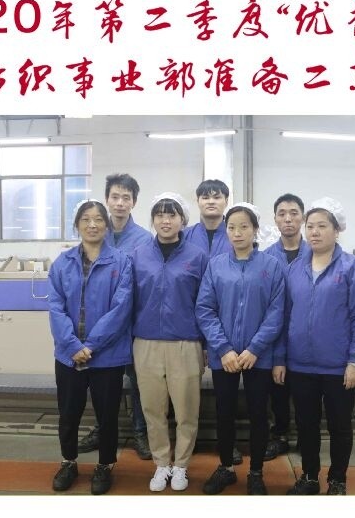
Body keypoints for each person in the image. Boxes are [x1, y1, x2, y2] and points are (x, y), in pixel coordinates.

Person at [280, 197, 355, 496]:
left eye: (322, 226)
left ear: (337, 230)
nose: (314, 232)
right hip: (300, 365)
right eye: (310, 226)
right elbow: (284, 316)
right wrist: (281, 358)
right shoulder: (295, 268)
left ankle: (337, 480)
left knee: (339, 426)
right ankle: (309, 477)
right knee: (305, 425)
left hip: (339, 367)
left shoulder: (353, 269)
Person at [196, 203, 285, 495]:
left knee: (259, 414)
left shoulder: (271, 266)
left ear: (255, 230)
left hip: (259, 356)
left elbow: (276, 312)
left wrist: (255, 348)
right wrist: (223, 349)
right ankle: (226, 468)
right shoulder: (216, 265)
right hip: (225, 356)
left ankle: (256, 472)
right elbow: (205, 309)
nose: (237, 233)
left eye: (244, 227)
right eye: (232, 227)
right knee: (225, 412)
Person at [48, 200, 133, 495]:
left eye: (98, 219)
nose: (92, 225)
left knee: (107, 416)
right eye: (86, 219)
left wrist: (92, 345)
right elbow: (55, 307)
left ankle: (105, 465)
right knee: (68, 413)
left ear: (107, 226)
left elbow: (121, 308)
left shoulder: (121, 262)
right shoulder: (62, 263)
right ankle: (68, 462)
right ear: (77, 225)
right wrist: (73, 345)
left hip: (107, 356)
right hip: (68, 356)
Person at [131, 193, 208, 492]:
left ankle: (182, 466)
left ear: (182, 220)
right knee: (153, 409)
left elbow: (206, 303)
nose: (165, 220)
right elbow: (129, 300)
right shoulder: (138, 255)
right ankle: (162, 463)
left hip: (185, 342)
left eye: (172, 214)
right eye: (160, 214)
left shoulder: (197, 257)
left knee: (187, 411)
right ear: (152, 219)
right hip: (146, 342)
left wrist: (205, 345)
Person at [78, 173, 153, 460]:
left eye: (126, 198)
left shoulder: (144, 239)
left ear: (134, 202)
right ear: (107, 199)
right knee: (101, 383)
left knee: (139, 382)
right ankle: (102, 429)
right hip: (100, 326)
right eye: (115, 197)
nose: (120, 203)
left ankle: (141, 432)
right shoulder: (96, 233)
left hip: (133, 325)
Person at [183, 178, 242, 465]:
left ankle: (228, 444)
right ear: (197, 201)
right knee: (185, 387)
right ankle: (187, 441)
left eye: (217, 196)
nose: (211, 201)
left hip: (227, 324)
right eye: (205, 197)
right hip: (189, 322)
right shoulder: (185, 236)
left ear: (226, 201)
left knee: (225, 393)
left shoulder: (235, 234)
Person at [262, 193, 305, 460]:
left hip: (306, 337)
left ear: (303, 217)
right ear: (275, 219)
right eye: (282, 213)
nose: (288, 218)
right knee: (277, 391)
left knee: (305, 391)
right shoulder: (266, 258)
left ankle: (305, 435)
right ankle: (279, 436)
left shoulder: (316, 254)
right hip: (275, 336)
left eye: (293, 213)